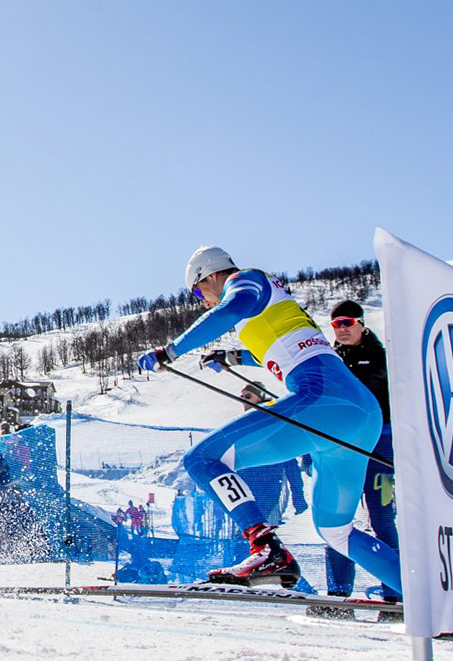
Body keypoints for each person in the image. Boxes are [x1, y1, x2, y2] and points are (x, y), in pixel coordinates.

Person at [138, 246, 398, 592]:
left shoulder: (246, 280)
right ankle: (427, 599)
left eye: (199, 291)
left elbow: (233, 307)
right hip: (360, 416)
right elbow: (282, 353)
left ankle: (265, 547)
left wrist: (169, 351)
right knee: (336, 530)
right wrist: (234, 356)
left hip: (324, 404)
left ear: (212, 273)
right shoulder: (272, 308)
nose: (203, 301)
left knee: (201, 459)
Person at [307, 299, 401, 620]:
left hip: (379, 448)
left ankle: (396, 598)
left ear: (361, 323)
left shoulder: (378, 356)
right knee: (336, 521)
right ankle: (338, 596)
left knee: (382, 519)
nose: (342, 329)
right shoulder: (332, 357)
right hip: (342, 449)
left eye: (347, 322)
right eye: (336, 324)